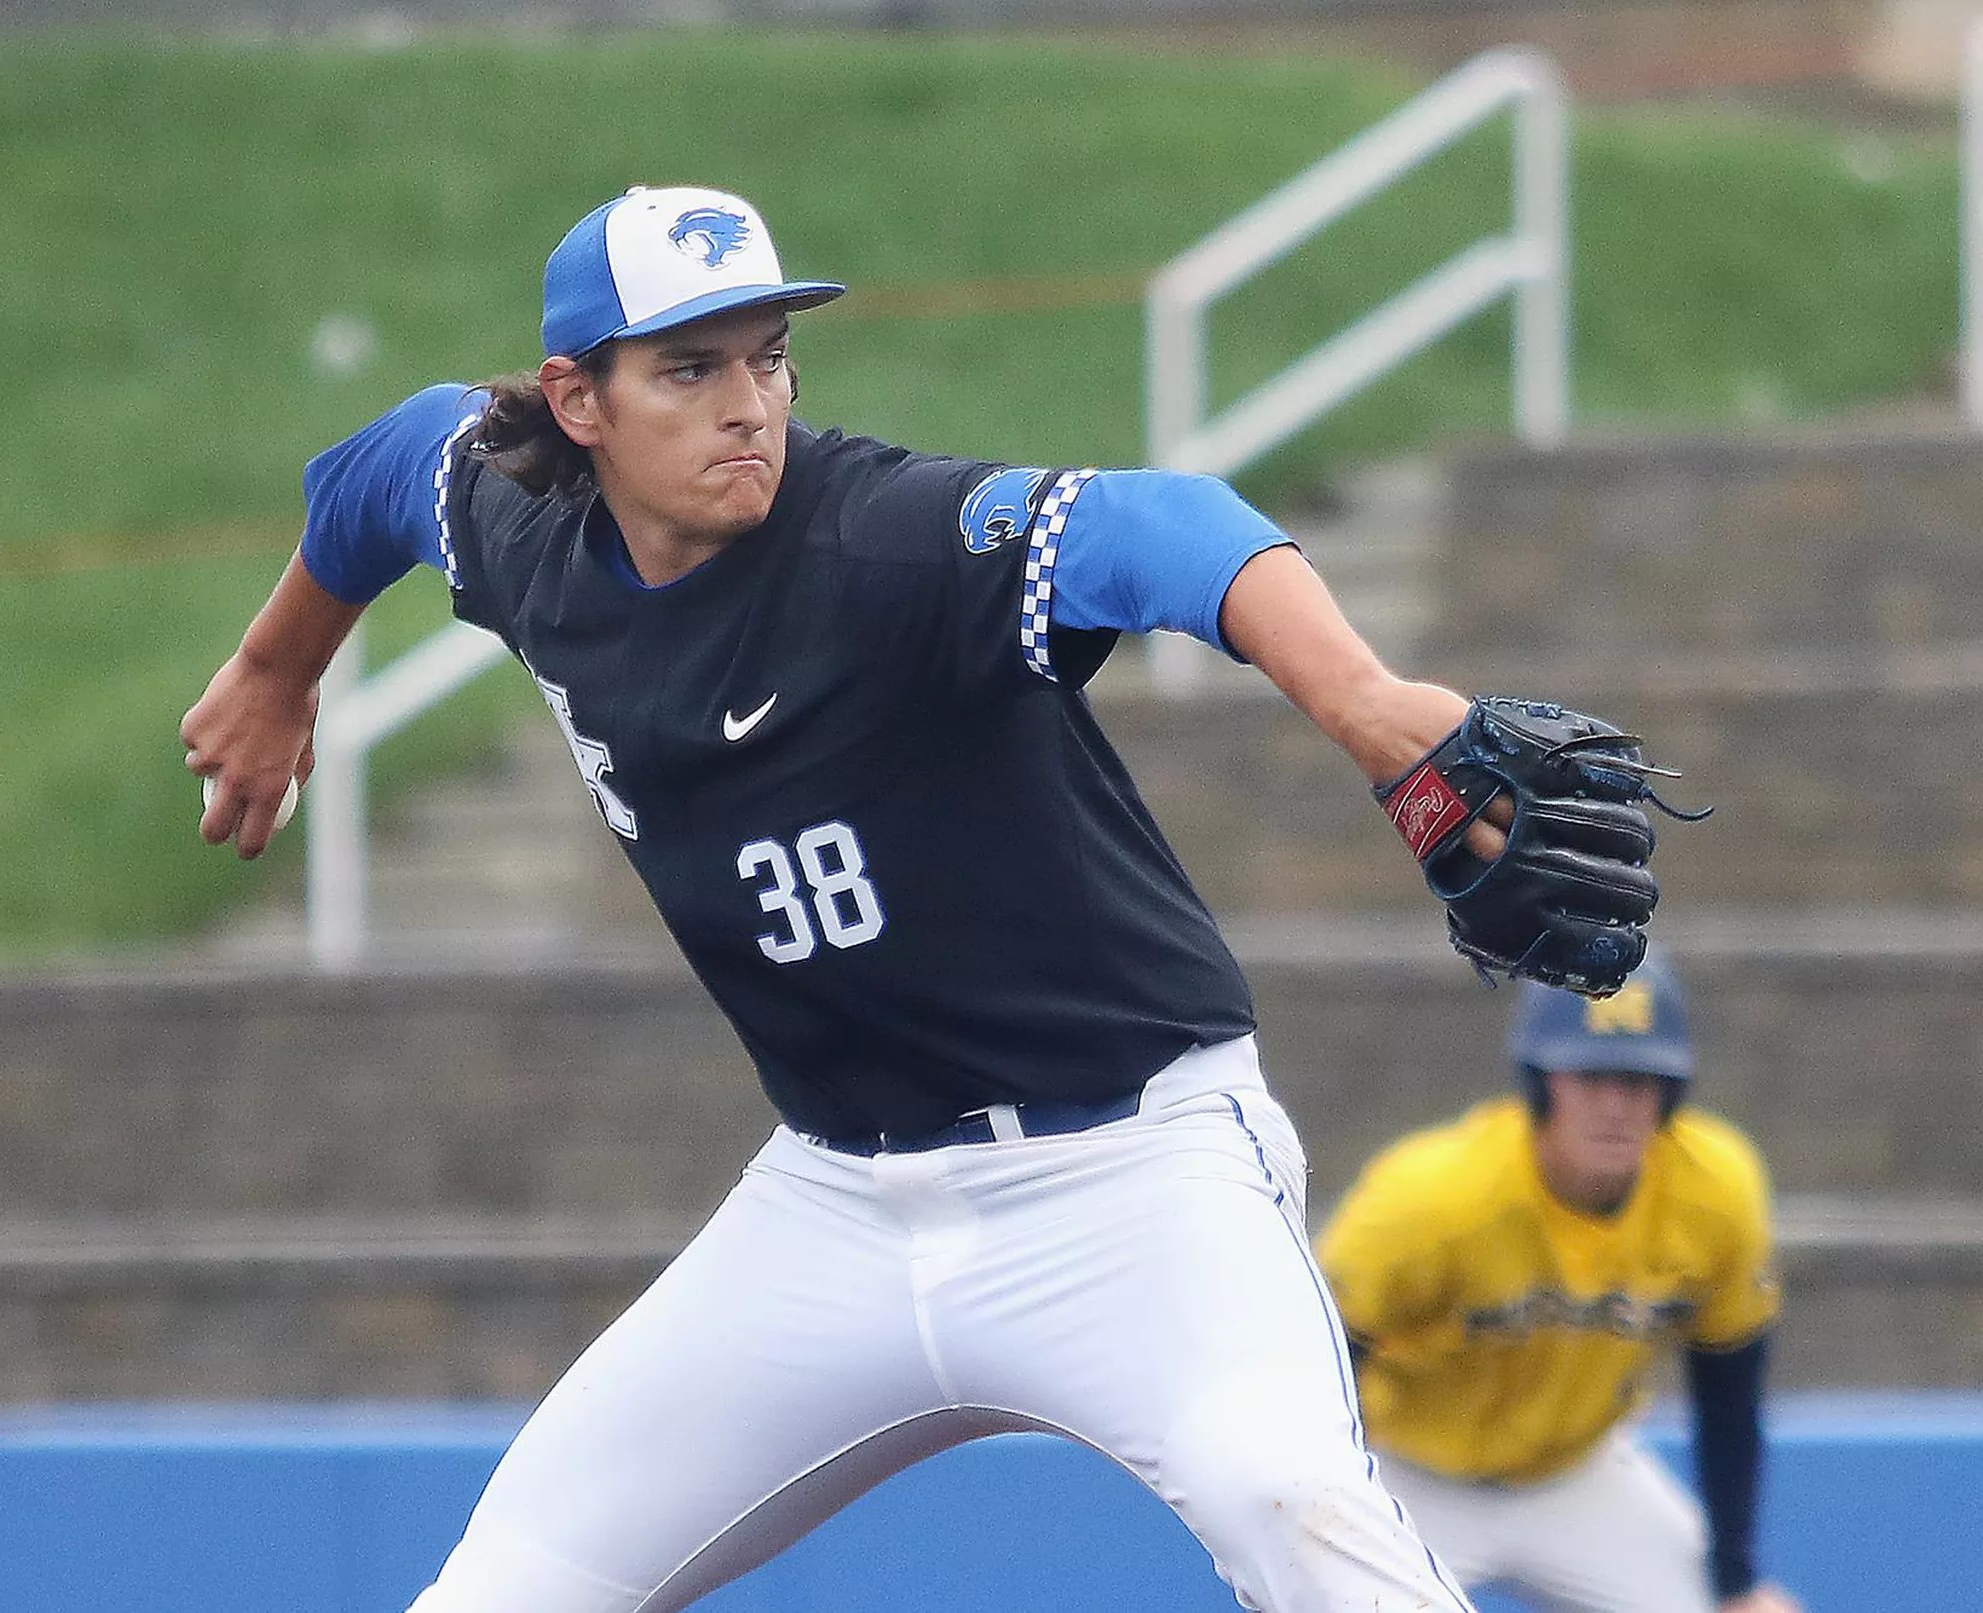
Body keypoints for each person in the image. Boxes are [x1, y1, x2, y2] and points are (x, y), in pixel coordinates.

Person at [178, 182, 1645, 1612]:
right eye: (689, 367)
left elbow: (1166, 526)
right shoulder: (518, 523)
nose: (747, 402)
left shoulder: (878, 538)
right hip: (834, 1210)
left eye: (767, 355)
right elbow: (376, 474)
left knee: (1297, 1511)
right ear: (579, 403)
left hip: (1128, 1176)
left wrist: (1371, 705)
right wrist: (274, 666)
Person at [1315, 951, 1799, 1613]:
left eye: (1639, 1079)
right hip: (1409, 1475)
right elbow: (1314, 1362)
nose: (1615, 1105)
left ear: (1671, 1093)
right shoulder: (1435, 1199)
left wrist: (1736, 1579)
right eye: (1591, 1075)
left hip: (1577, 1478)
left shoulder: (1715, 1191)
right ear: (1543, 1082)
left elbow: (1729, 1390)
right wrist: (1330, 1517)